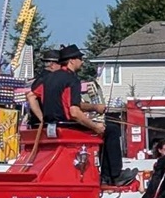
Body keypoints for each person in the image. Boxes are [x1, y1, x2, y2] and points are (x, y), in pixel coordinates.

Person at [26, 44, 132, 186]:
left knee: (106, 129)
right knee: (111, 130)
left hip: (51, 125)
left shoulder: (48, 79)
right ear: (71, 61)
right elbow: (74, 112)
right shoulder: (72, 80)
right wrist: (95, 127)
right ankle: (114, 176)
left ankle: (107, 177)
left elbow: (32, 96)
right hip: (67, 126)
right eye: (80, 58)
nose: (82, 61)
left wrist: (94, 107)